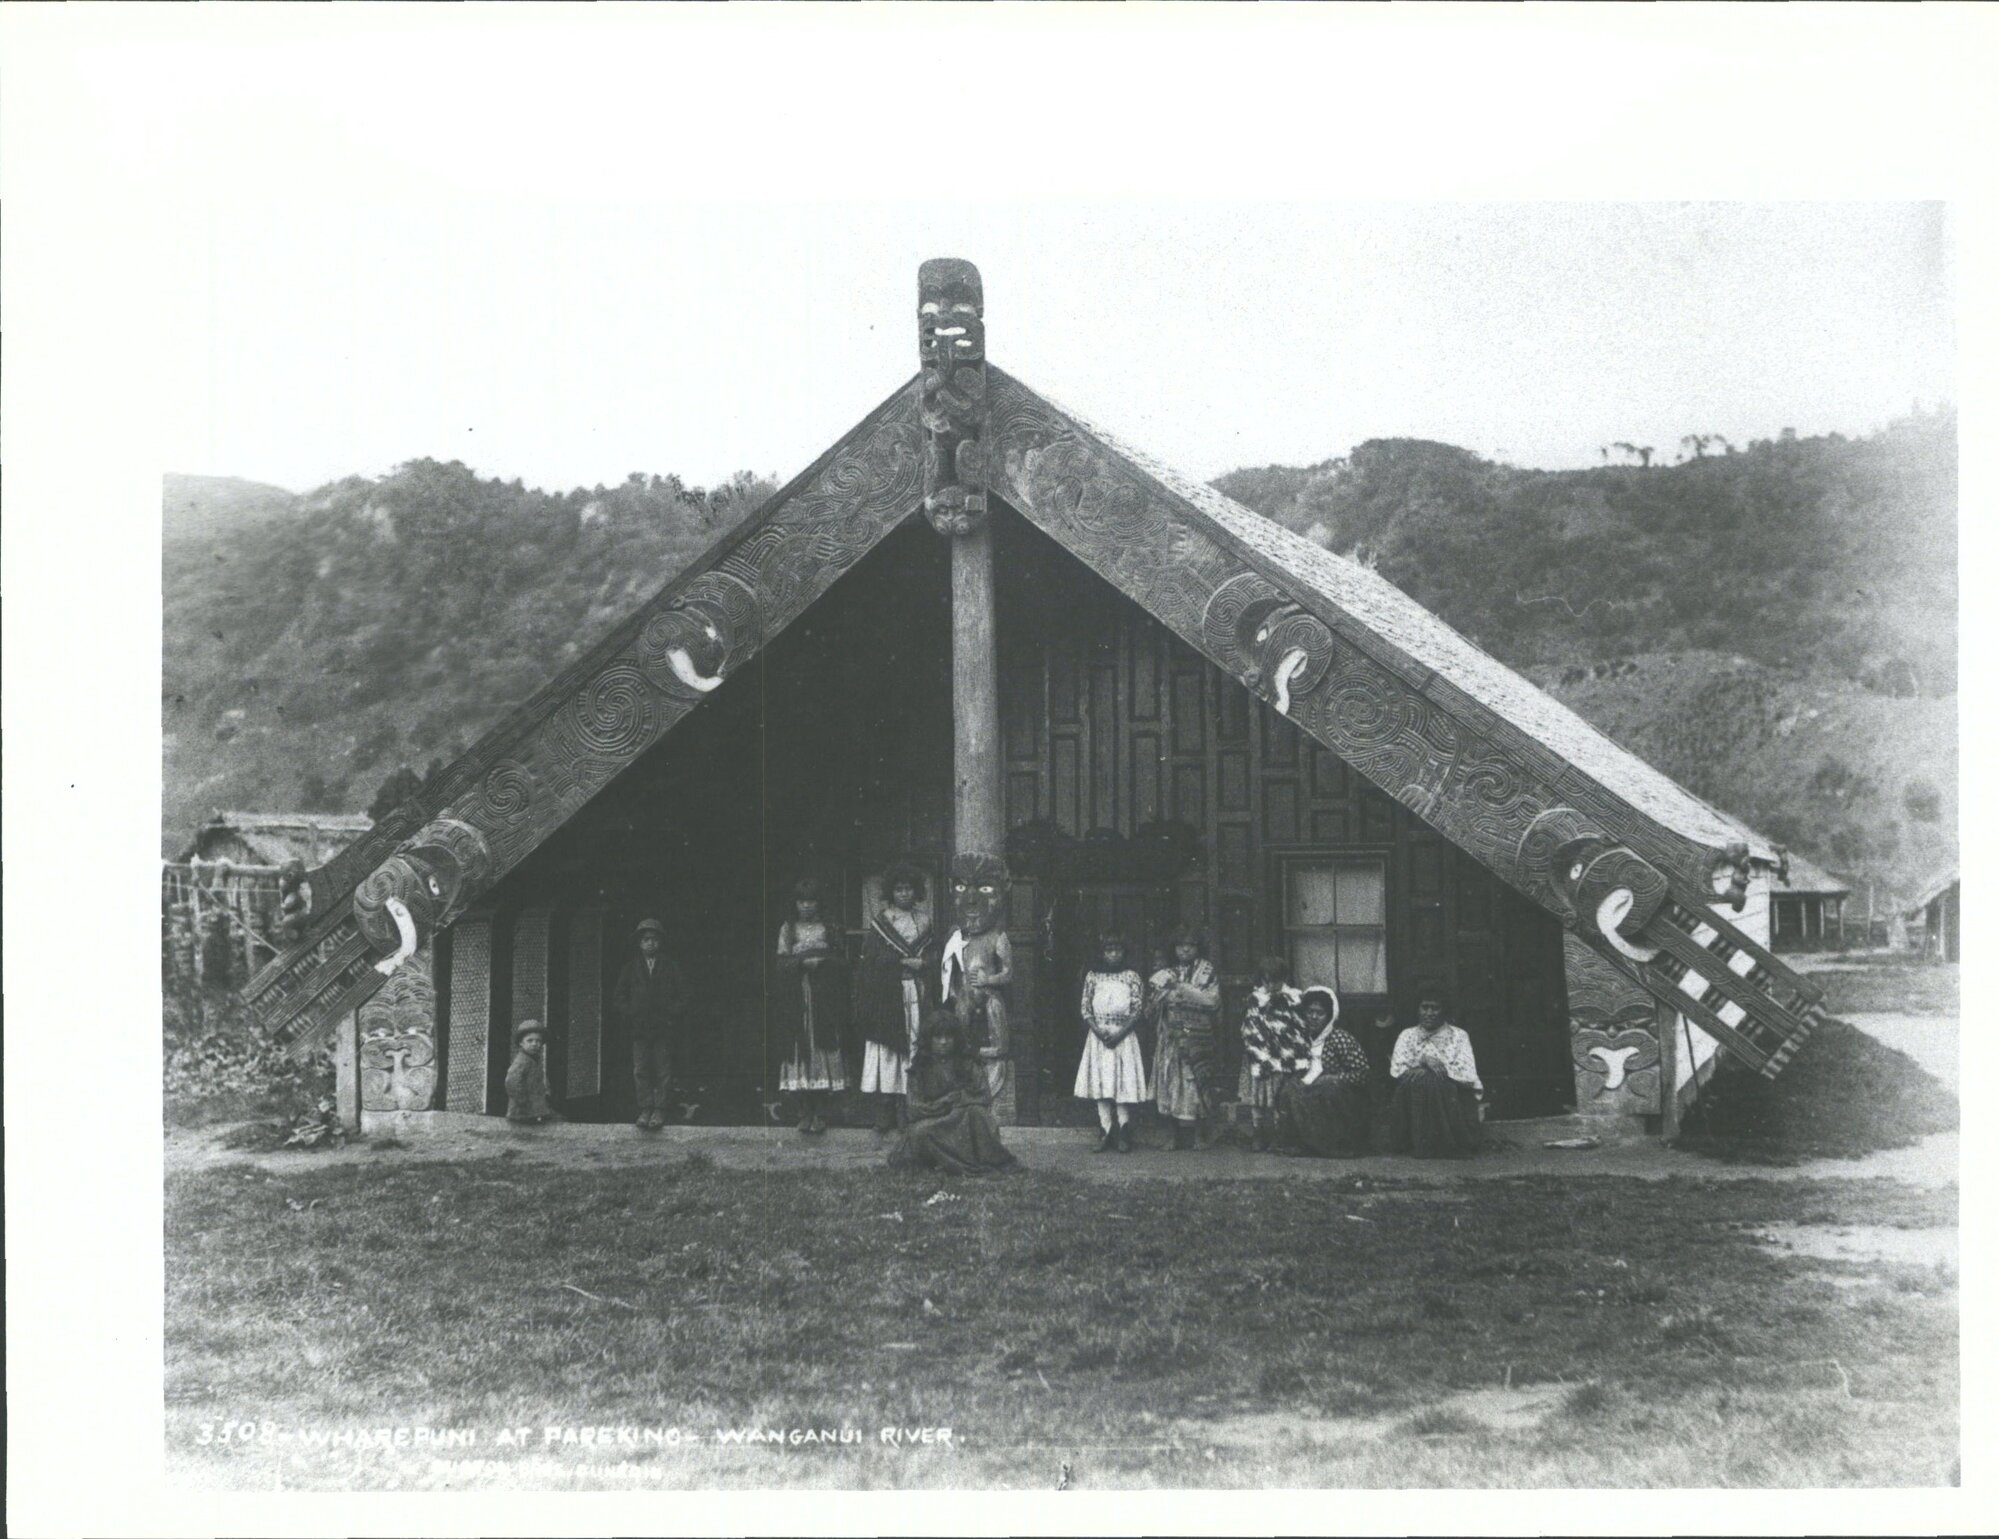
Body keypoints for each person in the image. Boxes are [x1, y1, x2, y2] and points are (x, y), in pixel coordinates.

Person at [851, 864, 935, 1133]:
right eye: (898, 889)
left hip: (916, 992)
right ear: (891, 892)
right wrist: (899, 961)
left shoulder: (924, 921)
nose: (903, 894)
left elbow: (935, 955)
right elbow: (871, 960)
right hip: (889, 995)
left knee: (914, 1044)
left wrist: (923, 963)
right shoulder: (882, 921)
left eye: (908, 888)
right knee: (889, 1050)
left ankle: (907, 1107)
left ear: (916, 891)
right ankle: (885, 1108)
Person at [888, 1013, 1019, 1175]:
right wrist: (942, 1103)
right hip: (935, 1122)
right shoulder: (920, 1068)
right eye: (937, 1037)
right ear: (928, 1039)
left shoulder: (967, 1063)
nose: (943, 1042)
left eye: (948, 1037)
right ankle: (945, 1162)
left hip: (963, 1120)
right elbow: (913, 1108)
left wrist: (960, 1100)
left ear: (956, 1039)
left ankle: (964, 1162)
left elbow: (984, 1096)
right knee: (919, 1132)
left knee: (978, 1115)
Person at [774, 877, 849, 1135]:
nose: (806, 906)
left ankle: (820, 1112)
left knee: (823, 1047)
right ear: (795, 904)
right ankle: (803, 1111)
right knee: (800, 1048)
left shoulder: (829, 927)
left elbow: (842, 961)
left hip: (824, 998)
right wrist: (800, 964)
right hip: (798, 998)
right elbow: (780, 964)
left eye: (811, 901)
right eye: (801, 901)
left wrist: (823, 962)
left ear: (819, 903)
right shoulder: (788, 929)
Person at [1385, 987, 1484, 1159]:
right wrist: (1422, 1061)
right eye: (1424, 1007)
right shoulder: (1407, 1035)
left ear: (1443, 1010)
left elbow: (1467, 1074)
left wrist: (1433, 1068)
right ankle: (1417, 1142)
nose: (1429, 1013)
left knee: (1430, 1080)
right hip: (1415, 1096)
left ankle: (1443, 1143)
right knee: (1418, 1082)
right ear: (1417, 1009)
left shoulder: (1459, 1036)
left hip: (1452, 1098)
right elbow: (1398, 1069)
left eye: (1435, 1008)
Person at [1074, 931, 1150, 1153]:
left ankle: (1124, 1130)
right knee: (1102, 1082)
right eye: (1109, 950)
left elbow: (1137, 1010)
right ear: (1102, 953)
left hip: (1123, 1036)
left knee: (1122, 1083)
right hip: (1099, 1037)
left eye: (1117, 950)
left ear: (1124, 953)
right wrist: (1098, 1032)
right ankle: (1105, 1129)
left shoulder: (1131, 977)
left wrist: (1120, 1034)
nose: (1113, 955)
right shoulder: (1093, 977)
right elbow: (1085, 1008)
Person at [1276, 987, 1373, 1156]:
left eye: (1319, 1013)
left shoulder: (1340, 1038)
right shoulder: (1300, 1039)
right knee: (1290, 1087)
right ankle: (1302, 1144)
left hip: (1341, 1097)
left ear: (1329, 1016)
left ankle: (1336, 1146)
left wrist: (1334, 1079)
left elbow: (1363, 1074)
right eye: (1310, 1012)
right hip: (1309, 1091)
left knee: (1325, 1085)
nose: (1314, 1017)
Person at [1149, 926, 1220, 1151]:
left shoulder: (1207, 971)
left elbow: (1211, 1000)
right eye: (1180, 946)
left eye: (1190, 946)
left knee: (1196, 1082)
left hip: (1196, 1035)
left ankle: (1201, 1133)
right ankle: (1173, 1135)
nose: (1185, 950)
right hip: (1170, 1036)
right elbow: (1153, 1002)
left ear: (1198, 948)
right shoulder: (1166, 971)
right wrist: (1162, 994)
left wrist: (1179, 989)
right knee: (1169, 1081)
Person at [613, 917, 687, 1132]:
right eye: (646, 939)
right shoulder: (630, 968)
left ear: (660, 942)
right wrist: (632, 1013)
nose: (650, 943)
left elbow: (683, 995)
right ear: (639, 943)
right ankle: (645, 1108)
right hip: (639, 1028)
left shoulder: (670, 967)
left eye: (654, 939)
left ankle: (660, 1109)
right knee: (641, 1069)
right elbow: (619, 997)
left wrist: (670, 1013)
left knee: (663, 1069)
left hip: (663, 1027)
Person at [1238, 954, 1312, 1152]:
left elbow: (1300, 1027)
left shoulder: (1295, 998)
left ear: (1283, 978)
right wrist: (1260, 1048)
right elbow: (1250, 1027)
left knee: (1280, 1097)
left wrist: (1288, 1045)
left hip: (1285, 1054)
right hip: (1262, 1053)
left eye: (1276, 980)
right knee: (1259, 1097)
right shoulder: (1256, 999)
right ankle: (1258, 1132)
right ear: (1261, 979)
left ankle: (1280, 1134)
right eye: (1267, 980)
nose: (1271, 985)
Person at [504, 1019, 557, 1125]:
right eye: (530, 1040)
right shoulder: (521, 1062)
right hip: (522, 1111)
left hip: (535, 1109)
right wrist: (523, 1101)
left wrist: (546, 1090)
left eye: (538, 1041)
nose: (534, 1044)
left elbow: (540, 1078)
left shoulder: (534, 1060)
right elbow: (512, 1082)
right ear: (521, 1043)